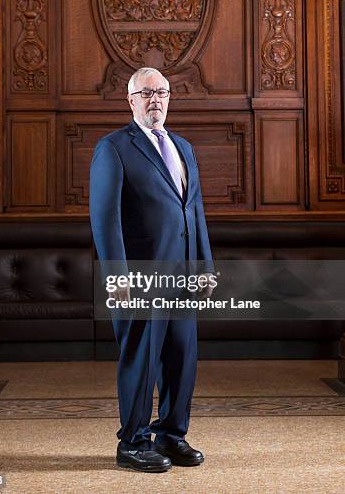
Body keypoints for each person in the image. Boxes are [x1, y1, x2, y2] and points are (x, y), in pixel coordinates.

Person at [89, 67, 214, 472]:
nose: (155, 99)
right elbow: (105, 219)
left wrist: (204, 266)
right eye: (146, 93)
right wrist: (117, 277)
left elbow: (193, 210)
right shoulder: (113, 148)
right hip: (139, 278)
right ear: (131, 101)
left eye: (161, 92)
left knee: (182, 356)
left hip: (182, 275)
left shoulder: (183, 147)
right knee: (141, 358)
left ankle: (172, 436)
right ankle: (133, 442)